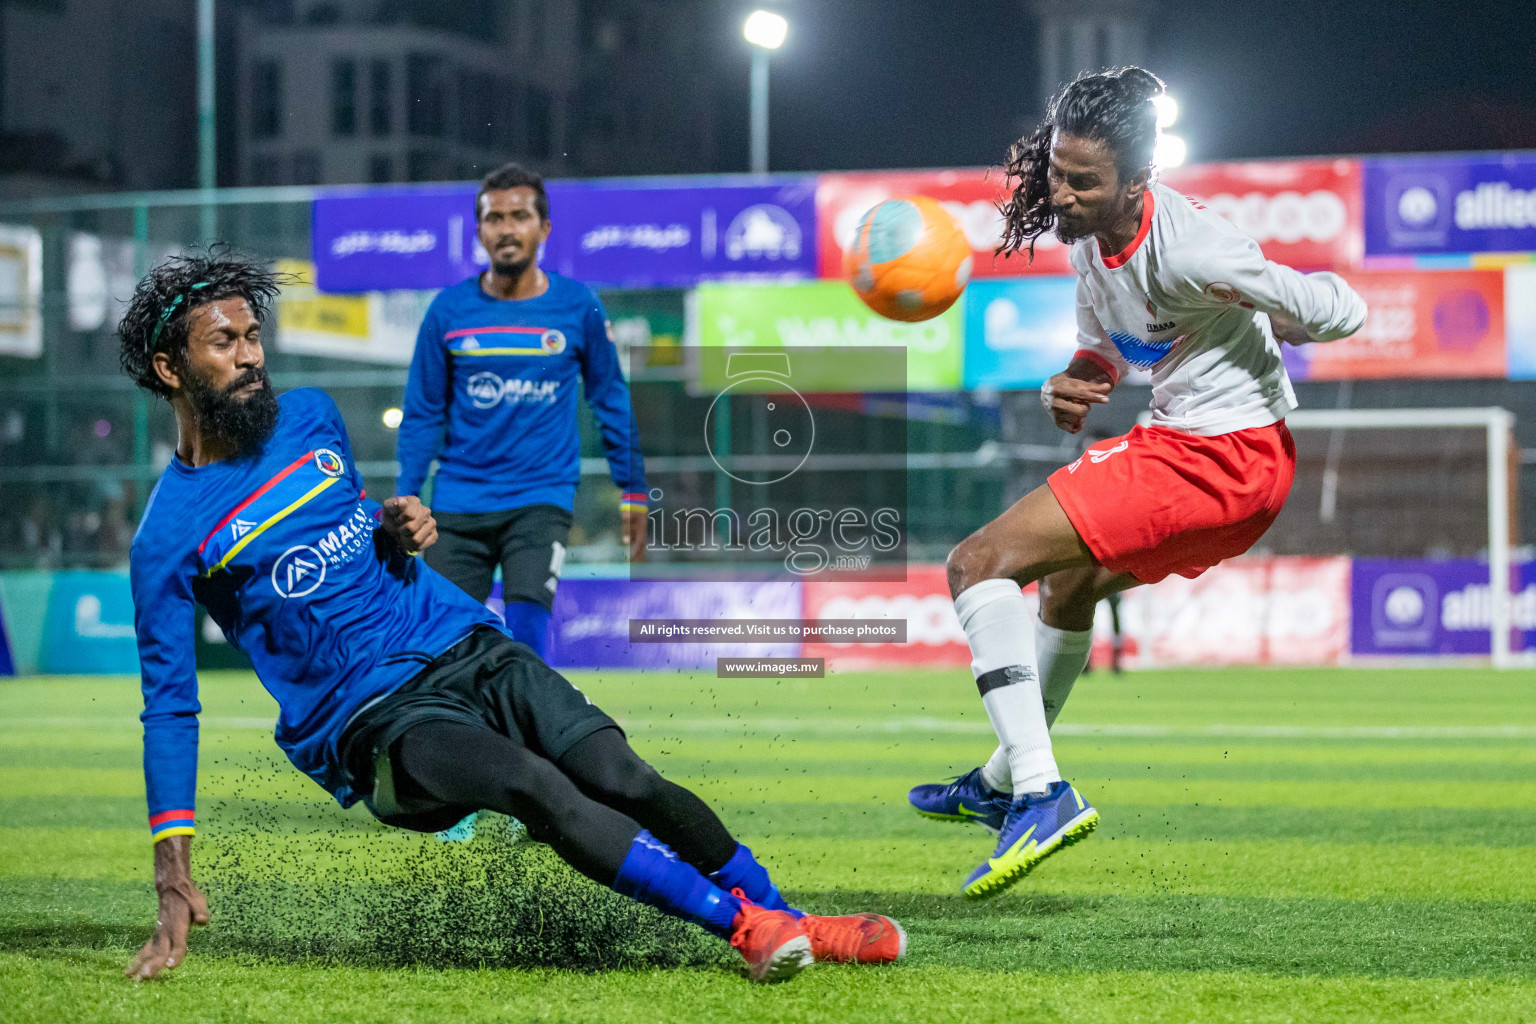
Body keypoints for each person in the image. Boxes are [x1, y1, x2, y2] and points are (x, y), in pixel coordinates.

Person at [117, 249, 903, 984]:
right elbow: (171, 708)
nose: (252, 356)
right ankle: (744, 930)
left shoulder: (312, 417)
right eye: (225, 343)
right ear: (170, 367)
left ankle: (793, 919)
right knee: (533, 784)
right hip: (374, 720)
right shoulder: (166, 538)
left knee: (620, 774)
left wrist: (396, 527)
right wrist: (172, 870)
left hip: (461, 641)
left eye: (255, 336)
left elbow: (353, 524)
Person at [907, 67, 1366, 899]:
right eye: (1058, 173)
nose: (1067, 194)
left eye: (1087, 182)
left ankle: (1041, 792)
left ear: (1139, 182)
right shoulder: (1085, 237)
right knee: (1067, 589)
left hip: (1223, 457)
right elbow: (1105, 344)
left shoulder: (1192, 248)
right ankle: (1006, 777)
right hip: (1209, 456)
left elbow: (1341, 307)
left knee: (977, 565)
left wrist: (1302, 316)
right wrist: (1076, 378)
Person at [396, 163, 647, 662]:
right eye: (494, 218)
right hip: (458, 503)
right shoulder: (447, 311)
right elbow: (422, 412)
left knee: (527, 633)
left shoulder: (579, 307)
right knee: (446, 648)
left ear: (544, 228)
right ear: (479, 231)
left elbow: (610, 398)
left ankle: (532, 739)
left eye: (520, 216)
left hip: (539, 499)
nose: (507, 228)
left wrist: (633, 489)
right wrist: (408, 493)